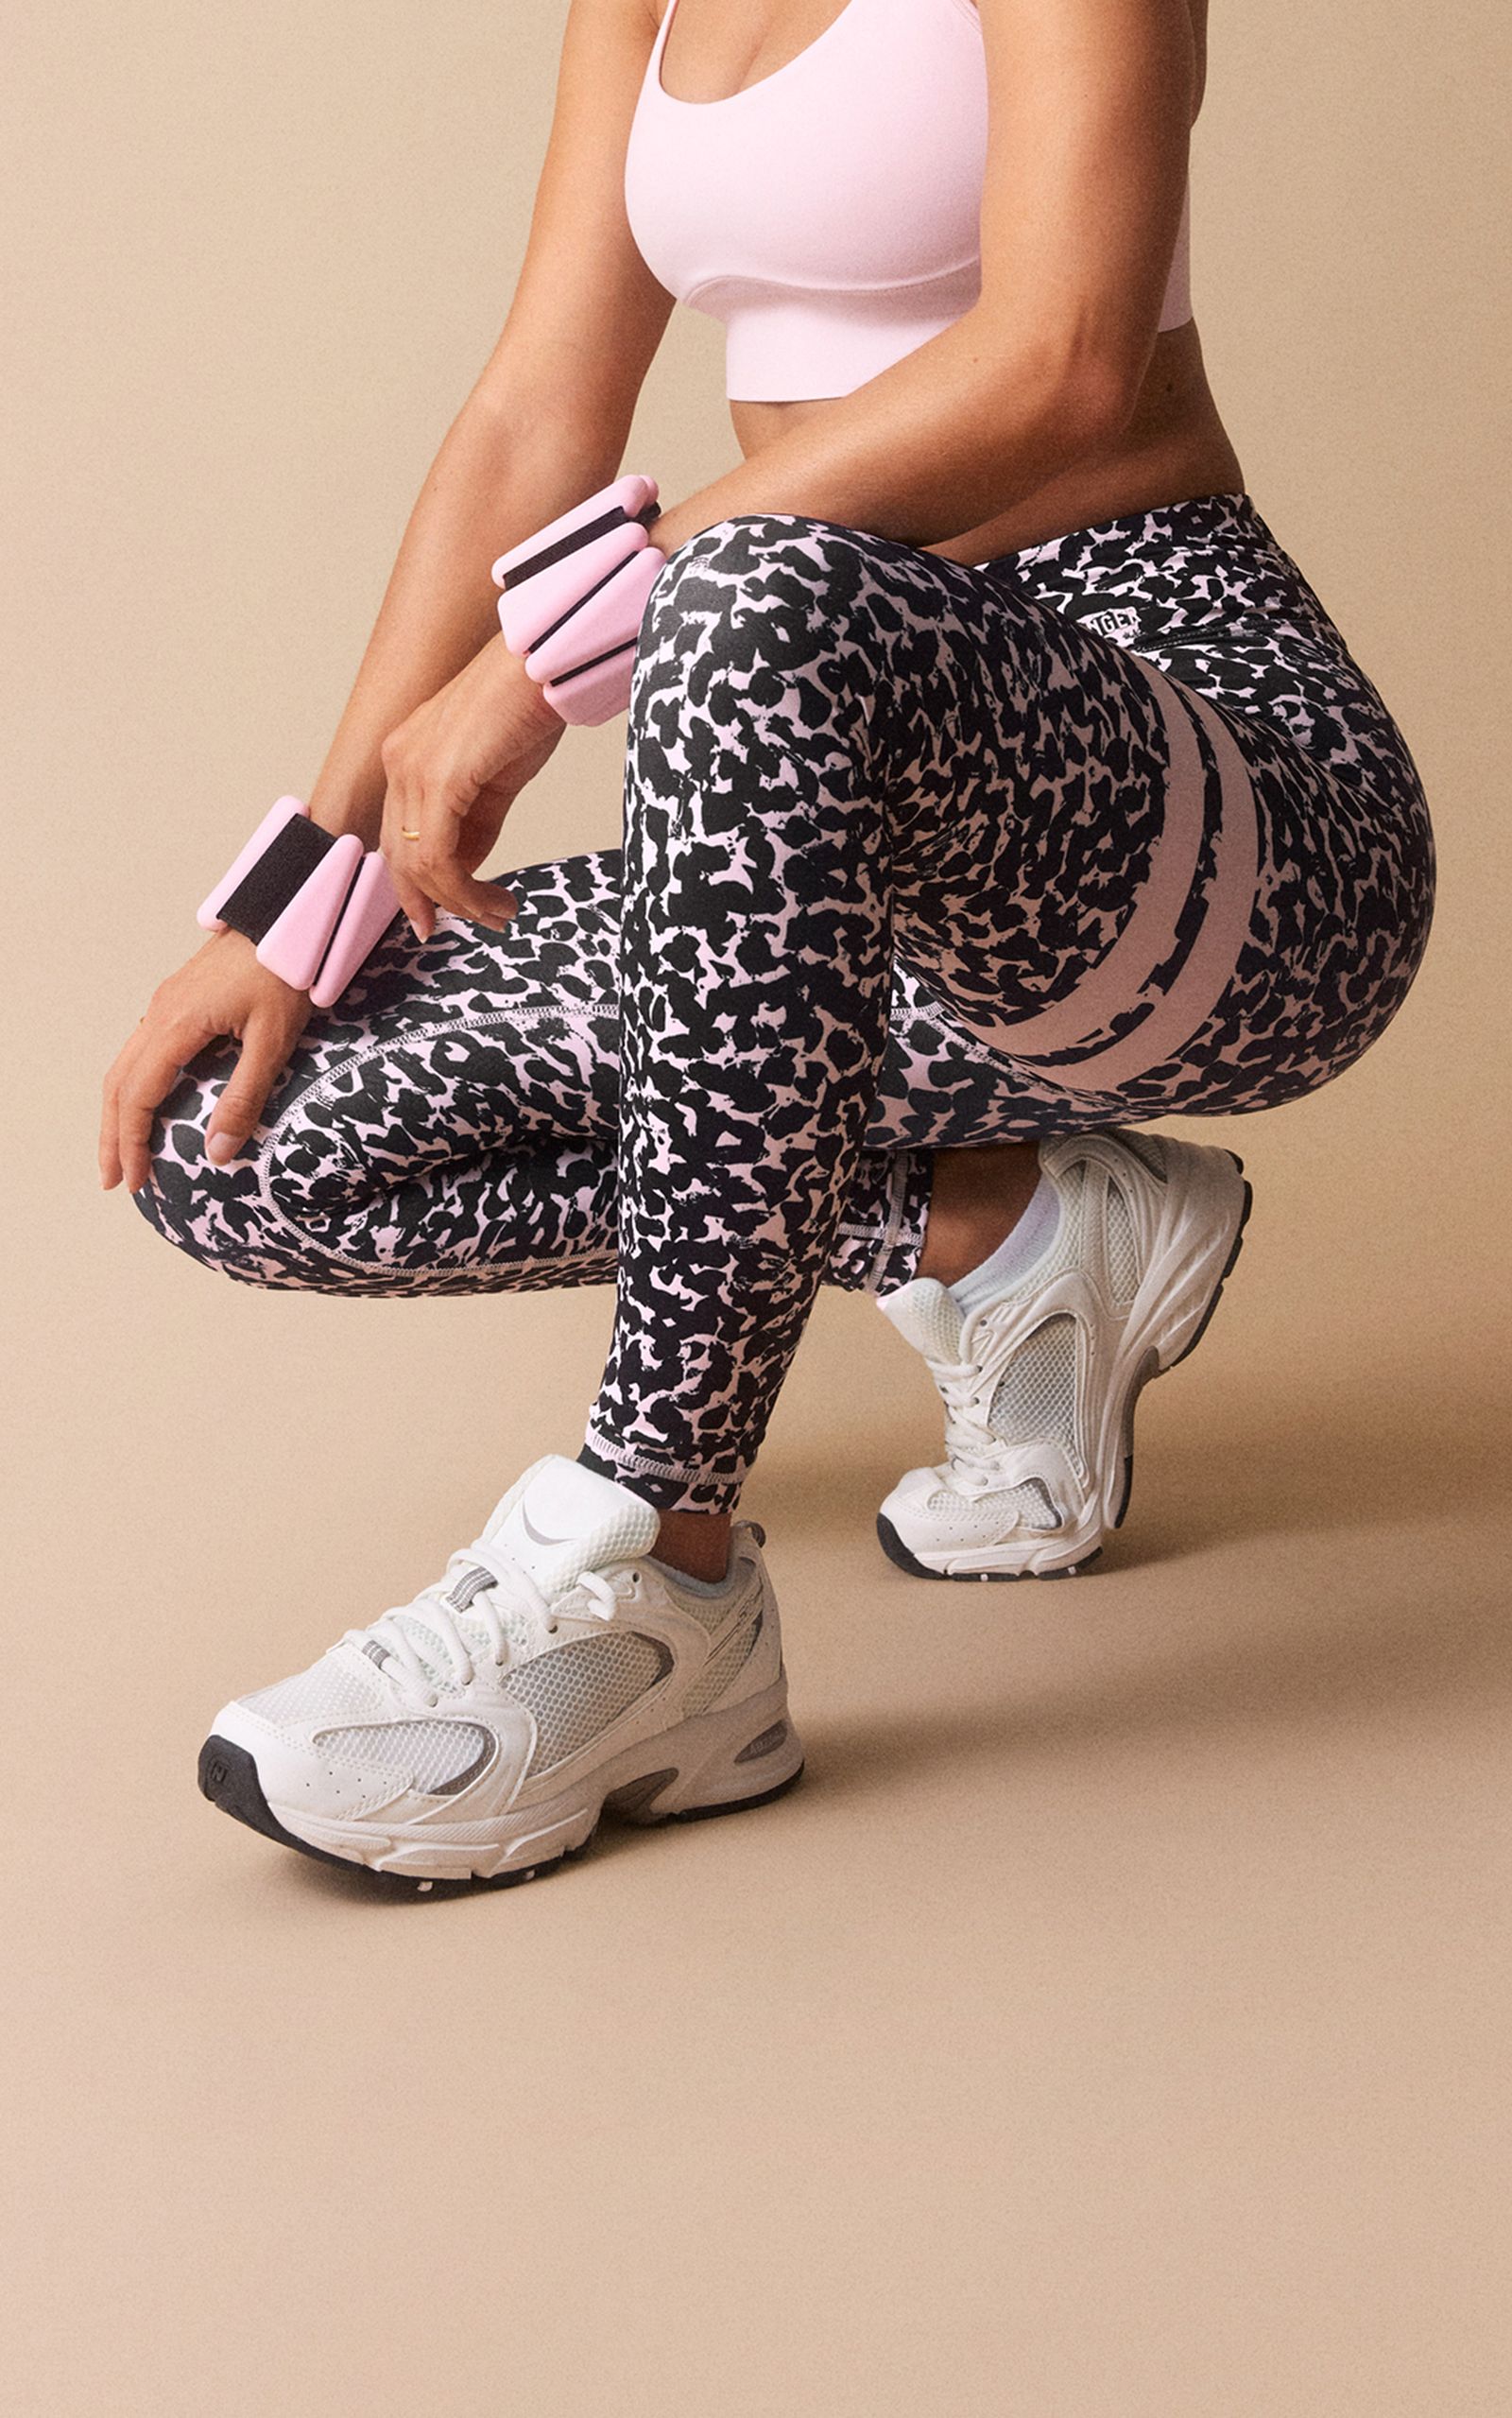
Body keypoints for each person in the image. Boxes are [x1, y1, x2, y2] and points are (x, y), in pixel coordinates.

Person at [100, 0, 1435, 1889]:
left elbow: (1057, 359)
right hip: (811, 826)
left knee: (752, 587)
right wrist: (301, 897)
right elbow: (528, 417)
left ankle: (661, 1576)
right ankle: (1006, 1234)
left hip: (1212, 814)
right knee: (245, 1143)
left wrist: (560, 650)